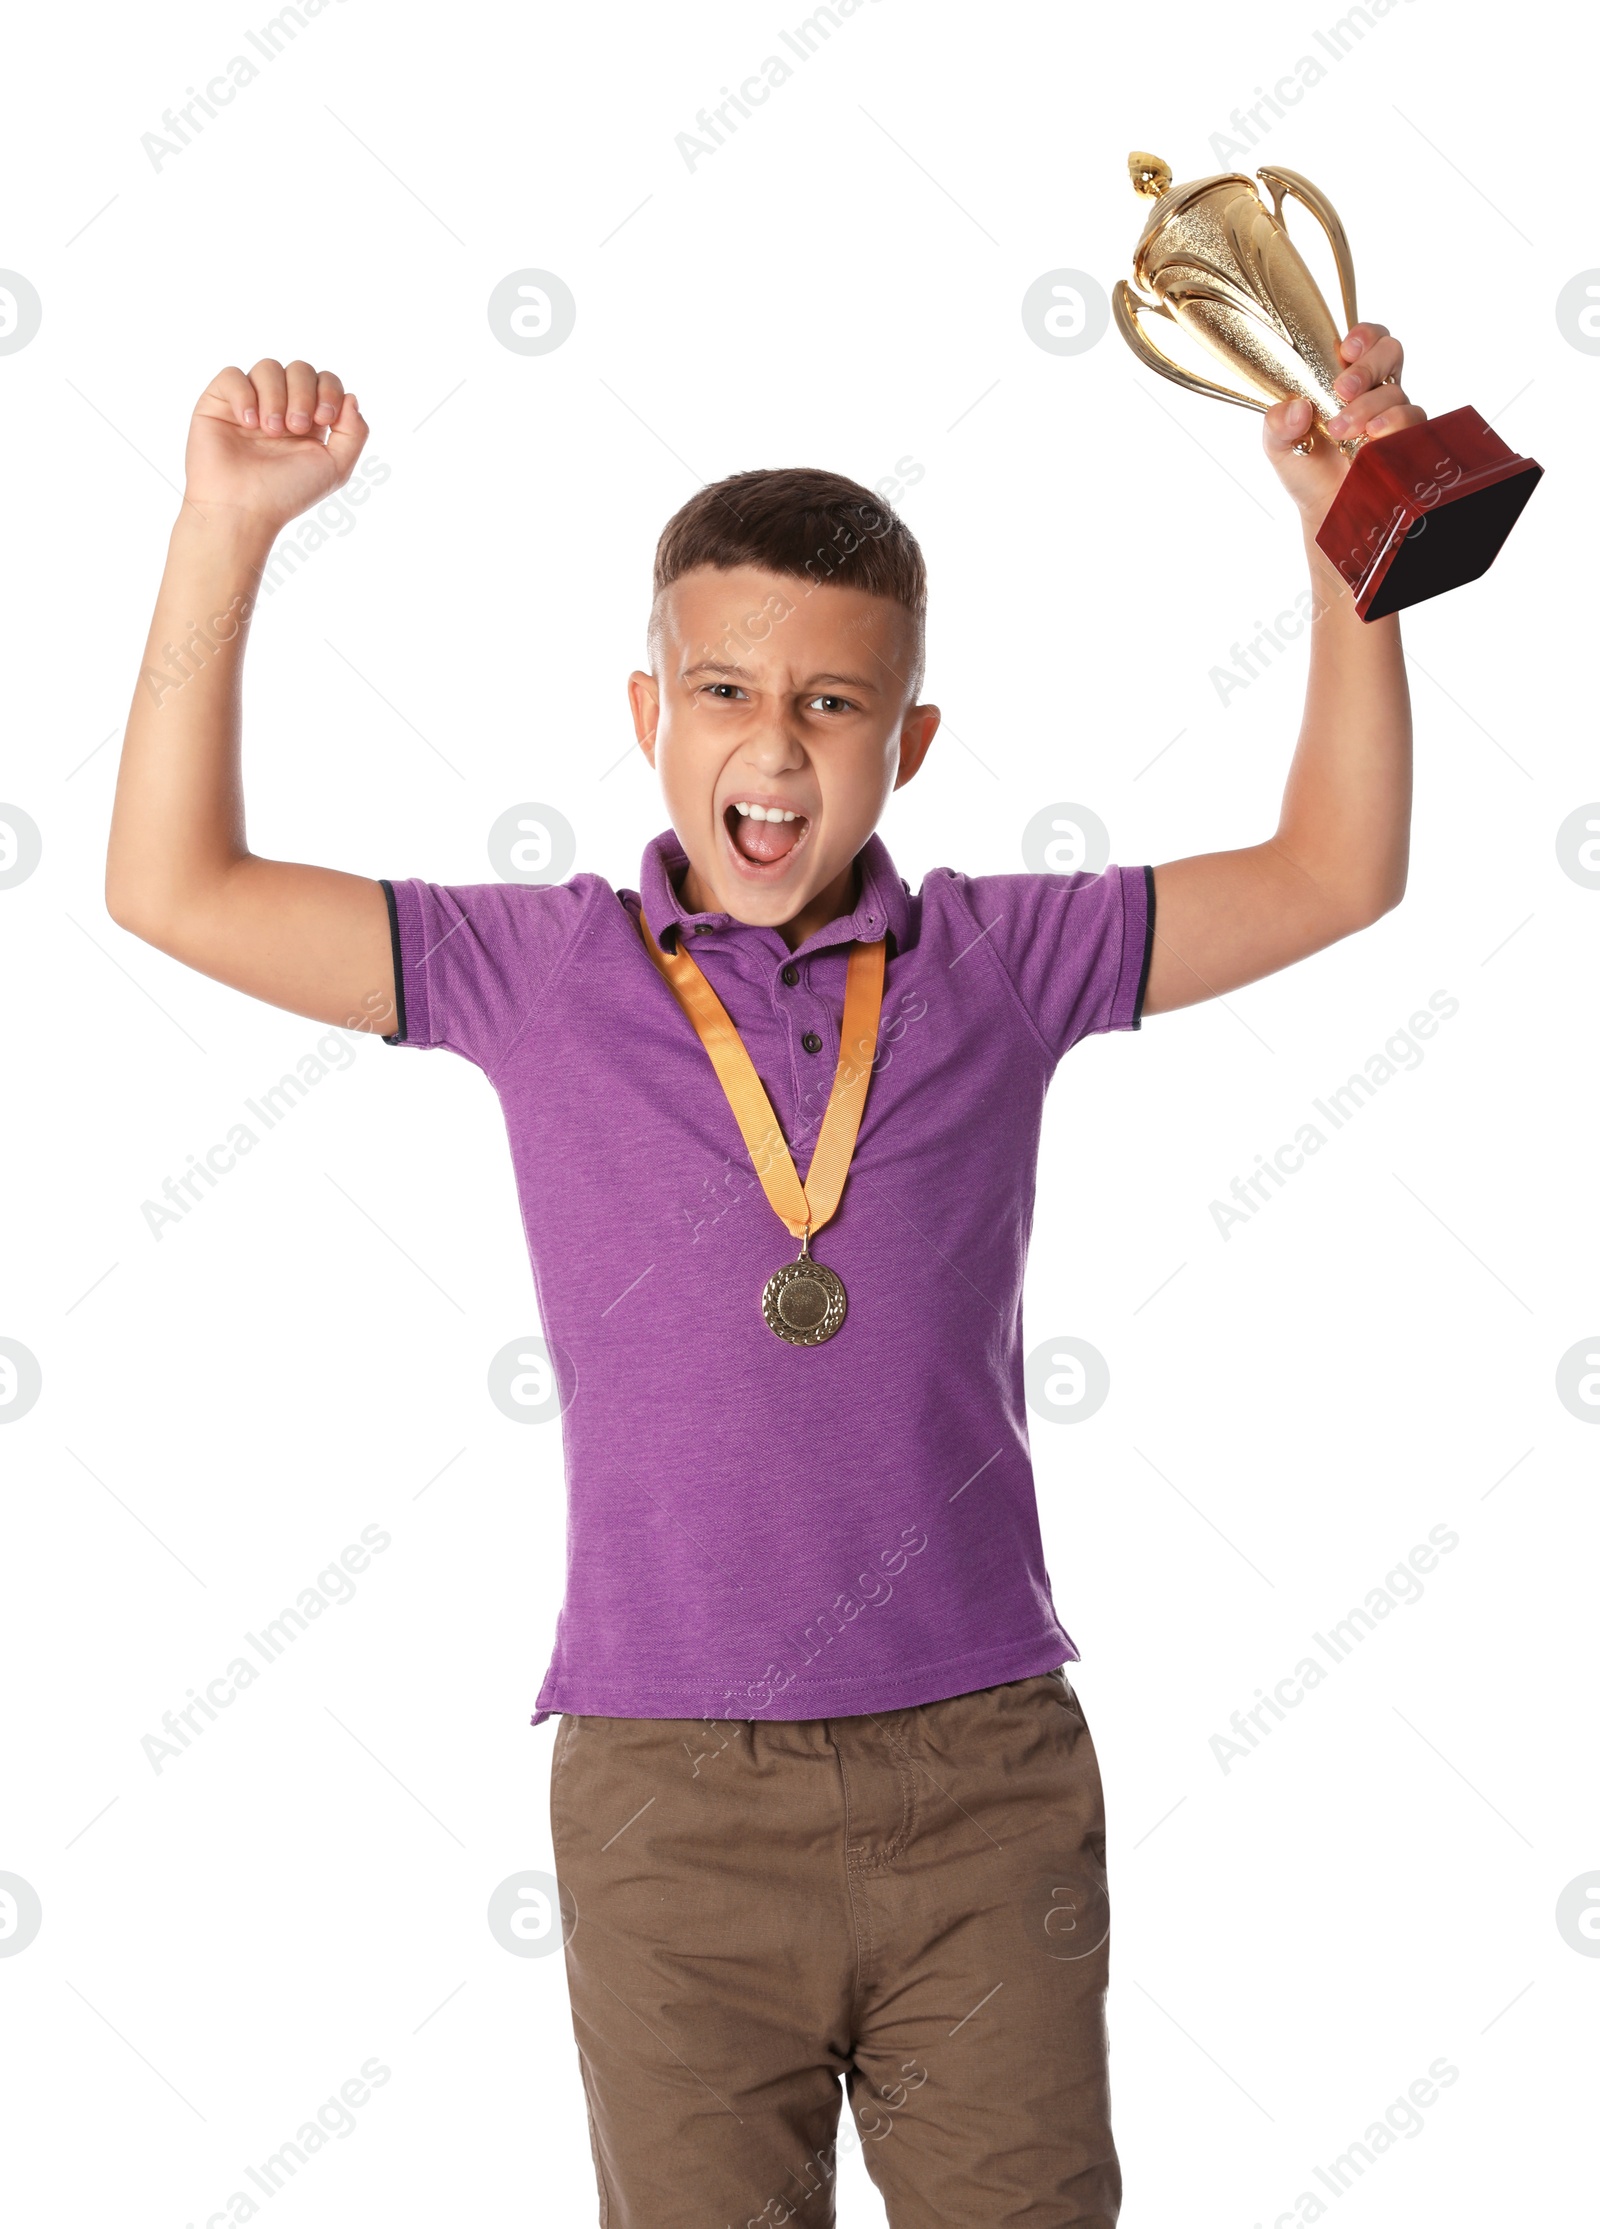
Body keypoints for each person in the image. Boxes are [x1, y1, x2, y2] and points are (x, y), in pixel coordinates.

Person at [107, 338, 1422, 2226]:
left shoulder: (999, 958)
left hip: (982, 1773)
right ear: (647, 707)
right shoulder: (538, 972)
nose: (774, 743)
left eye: (831, 701)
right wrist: (223, 525)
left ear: (914, 738)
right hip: (667, 1791)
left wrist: (1349, 551)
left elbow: (1335, 869)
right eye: (723, 689)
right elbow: (173, 883)